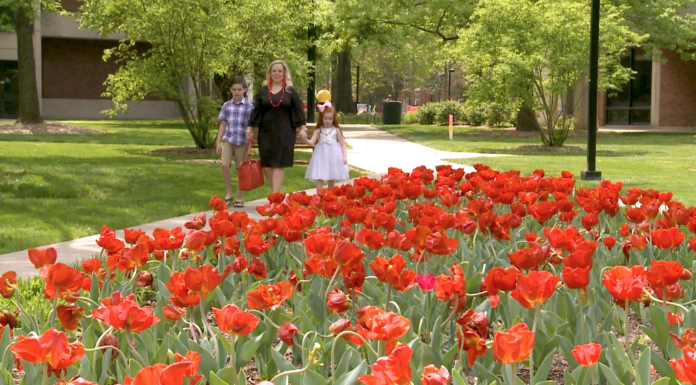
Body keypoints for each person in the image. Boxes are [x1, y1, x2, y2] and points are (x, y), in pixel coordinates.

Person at [247, 60, 308, 193]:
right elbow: (256, 111)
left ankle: (274, 197)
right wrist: (250, 128)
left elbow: (298, 110)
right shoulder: (263, 91)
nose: (277, 73)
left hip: (285, 133)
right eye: (274, 71)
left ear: (284, 73)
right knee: (267, 166)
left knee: (279, 163)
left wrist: (302, 129)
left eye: (280, 71)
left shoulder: (291, 91)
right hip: (266, 133)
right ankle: (277, 195)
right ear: (270, 72)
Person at [215, 76, 253, 207]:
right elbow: (223, 124)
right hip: (228, 140)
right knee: (225, 165)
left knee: (240, 169)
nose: (236, 92)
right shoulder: (227, 106)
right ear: (231, 90)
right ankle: (228, 193)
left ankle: (239, 197)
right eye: (234, 89)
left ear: (244, 90)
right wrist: (218, 141)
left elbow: (251, 124)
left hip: (242, 141)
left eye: (239, 89)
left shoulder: (248, 107)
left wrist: (250, 131)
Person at [305, 102, 349, 194]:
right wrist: (305, 139)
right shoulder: (318, 130)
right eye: (325, 118)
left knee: (331, 176)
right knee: (319, 175)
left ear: (334, 119)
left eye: (330, 119)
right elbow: (311, 142)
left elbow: (342, 144)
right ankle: (319, 195)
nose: (327, 121)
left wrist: (344, 156)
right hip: (320, 156)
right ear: (322, 118)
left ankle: (330, 195)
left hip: (333, 156)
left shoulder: (336, 130)